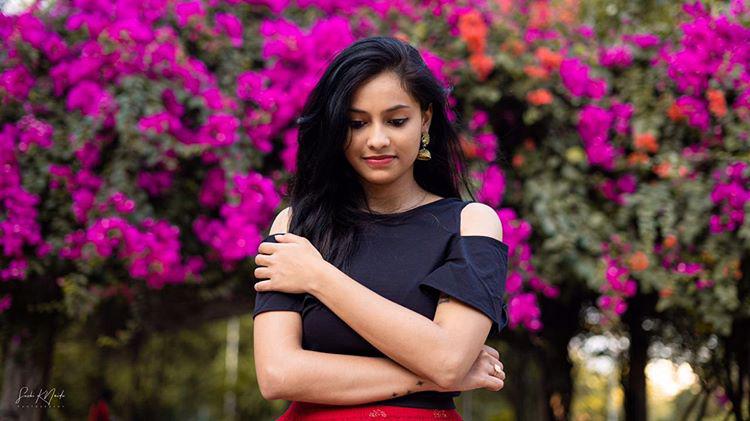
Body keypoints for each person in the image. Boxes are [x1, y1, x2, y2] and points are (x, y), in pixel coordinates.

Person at [252, 35, 510, 420]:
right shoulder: (297, 226)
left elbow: (447, 360)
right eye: (357, 123)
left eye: (396, 121)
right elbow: (278, 375)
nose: (376, 140)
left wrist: (319, 276)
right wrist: (430, 378)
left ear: (425, 119)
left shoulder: (470, 224)